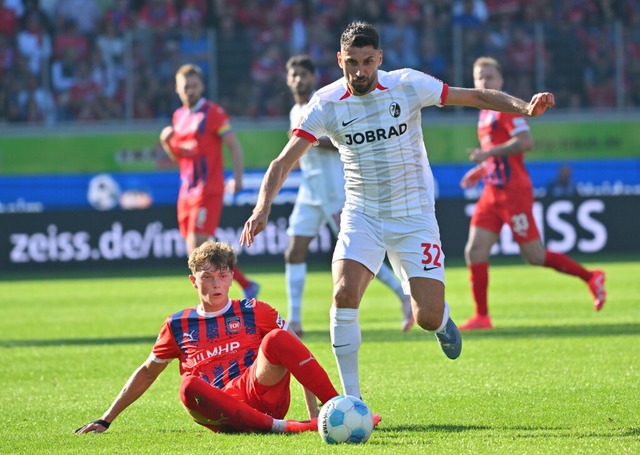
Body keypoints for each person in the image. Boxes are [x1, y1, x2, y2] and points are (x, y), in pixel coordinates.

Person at [240, 21, 555, 399]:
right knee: (342, 293)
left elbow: (476, 97)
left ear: (380, 59)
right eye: (352, 62)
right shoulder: (325, 103)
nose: (360, 71)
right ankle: (352, 401)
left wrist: (524, 107)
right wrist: (262, 208)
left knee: (427, 316)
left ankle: (441, 322)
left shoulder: (407, 85)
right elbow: (281, 163)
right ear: (340, 60)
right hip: (362, 215)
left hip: (413, 215)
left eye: (368, 61)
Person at [75, 241, 341, 434]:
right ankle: (287, 428)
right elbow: (147, 372)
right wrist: (106, 419)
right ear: (193, 281)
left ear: (231, 279)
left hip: (258, 391)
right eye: (207, 277)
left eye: (223, 276)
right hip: (218, 411)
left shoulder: (254, 310)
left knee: (277, 338)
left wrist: (317, 414)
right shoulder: (177, 323)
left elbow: (298, 353)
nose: (216, 284)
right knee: (187, 386)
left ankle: (340, 408)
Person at [458, 57, 606, 331]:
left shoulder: (505, 109)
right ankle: (482, 316)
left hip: (514, 192)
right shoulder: (484, 112)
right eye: (479, 78)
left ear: (501, 81)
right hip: (493, 191)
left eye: (489, 77)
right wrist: (482, 168)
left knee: (534, 256)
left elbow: (526, 142)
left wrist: (488, 154)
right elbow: (497, 153)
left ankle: (591, 277)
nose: (484, 82)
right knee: (475, 250)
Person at [284, 54, 414, 336]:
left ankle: (404, 297)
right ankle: (294, 320)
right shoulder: (296, 112)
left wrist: (312, 143)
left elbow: (340, 141)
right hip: (310, 190)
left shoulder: (324, 105)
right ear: (287, 79)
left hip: (334, 190)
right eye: (294, 75)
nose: (298, 80)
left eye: (304, 75)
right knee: (293, 251)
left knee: (359, 253)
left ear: (313, 78)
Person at [159, 63, 259, 300]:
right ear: (178, 89)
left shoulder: (212, 113)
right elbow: (180, 156)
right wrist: (167, 142)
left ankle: (214, 301)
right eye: (186, 86)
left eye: (194, 86)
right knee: (195, 252)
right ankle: (246, 285)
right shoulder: (179, 116)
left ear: (201, 86)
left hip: (208, 189)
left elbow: (233, 145)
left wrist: (237, 177)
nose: (191, 90)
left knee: (197, 246)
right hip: (186, 191)